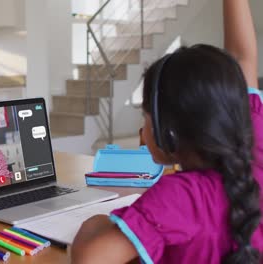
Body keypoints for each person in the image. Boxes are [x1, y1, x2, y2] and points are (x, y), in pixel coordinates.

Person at [71, 0, 262, 263]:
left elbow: (90, 259)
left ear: (167, 131)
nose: (141, 129)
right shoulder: (255, 136)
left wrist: (96, 221)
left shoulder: (179, 197)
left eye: (145, 114)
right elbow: (242, 58)